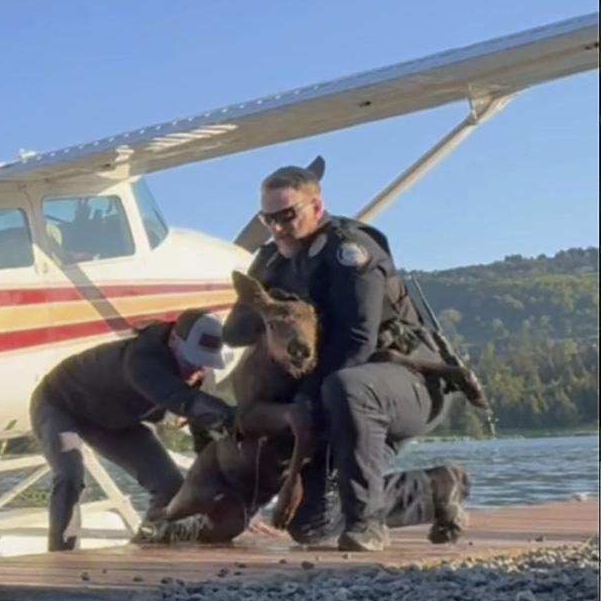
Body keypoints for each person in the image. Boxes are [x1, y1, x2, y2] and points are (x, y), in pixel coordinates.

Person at [224, 165, 471, 552]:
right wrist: (263, 301)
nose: (277, 228)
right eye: (267, 219)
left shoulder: (349, 252)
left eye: (287, 215)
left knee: (347, 384)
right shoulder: (274, 260)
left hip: (404, 381)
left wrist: (306, 400)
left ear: (317, 206)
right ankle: (435, 488)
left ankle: (367, 524)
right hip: (342, 399)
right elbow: (233, 333)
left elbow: (357, 340)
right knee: (312, 522)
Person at [31, 309, 236, 552]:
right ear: (173, 341)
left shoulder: (199, 371)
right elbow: (183, 400)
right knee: (69, 473)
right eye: (192, 359)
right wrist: (237, 417)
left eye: (205, 362)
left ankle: (143, 549)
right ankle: (61, 557)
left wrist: (229, 496)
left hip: (114, 420)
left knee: (171, 485)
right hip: (60, 403)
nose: (198, 368)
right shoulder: (142, 358)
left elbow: (205, 436)